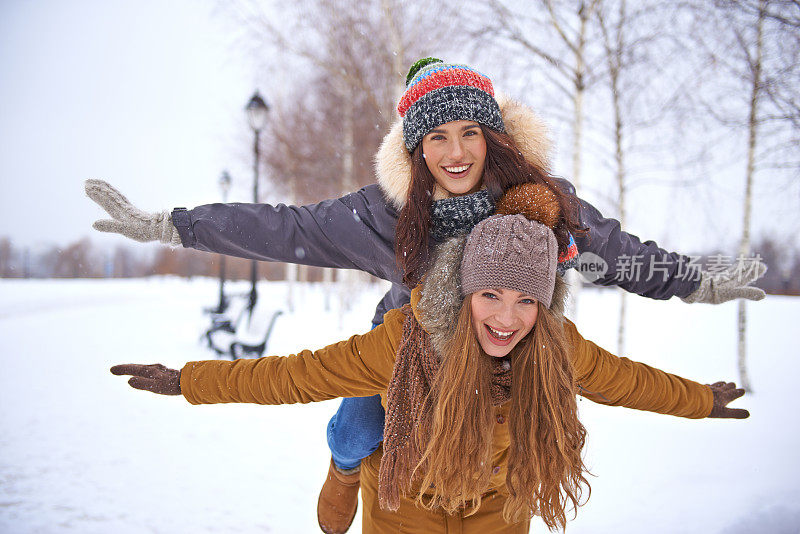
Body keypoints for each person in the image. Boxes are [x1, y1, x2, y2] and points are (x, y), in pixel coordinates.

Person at [86, 58, 765, 534]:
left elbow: (615, 251)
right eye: (436, 136)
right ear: (415, 149)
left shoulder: (538, 203)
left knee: (514, 433)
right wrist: (177, 224)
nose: (456, 150)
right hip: (403, 353)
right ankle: (345, 468)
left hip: (511, 359)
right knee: (357, 429)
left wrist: (697, 281)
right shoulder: (384, 214)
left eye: (470, 131)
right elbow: (282, 230)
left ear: (493, 136)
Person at [110, 213, 749, 534]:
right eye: (491, 295)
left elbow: (625, 379)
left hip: (499, 506)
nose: (508, 317)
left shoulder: (554, 346)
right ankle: (341, 472)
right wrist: (187, 380)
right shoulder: (405, 341)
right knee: (355, 428)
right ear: (463, 291)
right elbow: (292, 376)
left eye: (527, 299)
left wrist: (699, 400)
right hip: (401, 502)